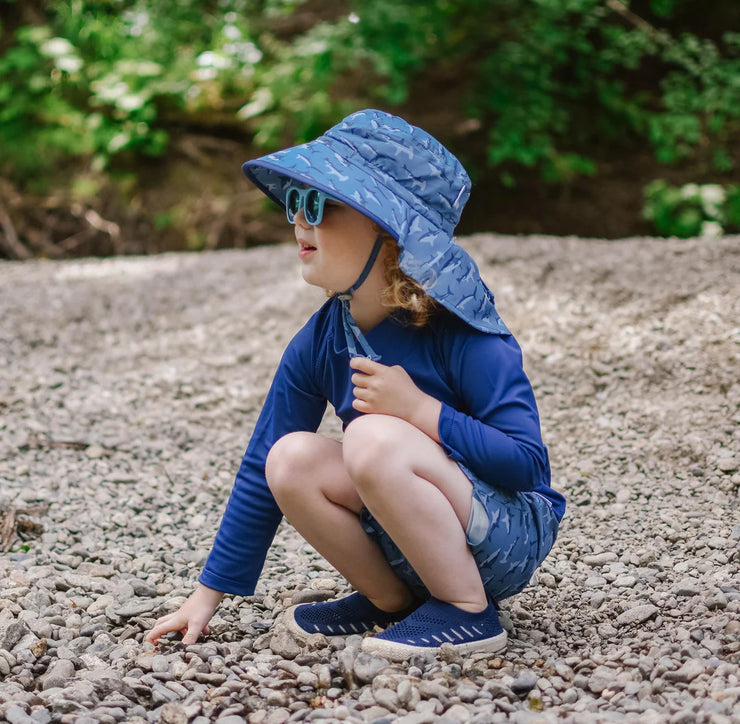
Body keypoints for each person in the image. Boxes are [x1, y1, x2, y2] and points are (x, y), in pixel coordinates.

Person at [146, 110, 565, 659]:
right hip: (409, 541)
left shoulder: (463, 333)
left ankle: (466, 610)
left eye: (318, 203)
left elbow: (526, 466)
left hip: (503, 535)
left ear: (386, 231)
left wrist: (419, 411)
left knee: (372, 437)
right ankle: (392, 602)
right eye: (295, 202)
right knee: (288, 459)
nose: (299, 220)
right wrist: (205, 597)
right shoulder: (321, 339)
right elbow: (259, 466)